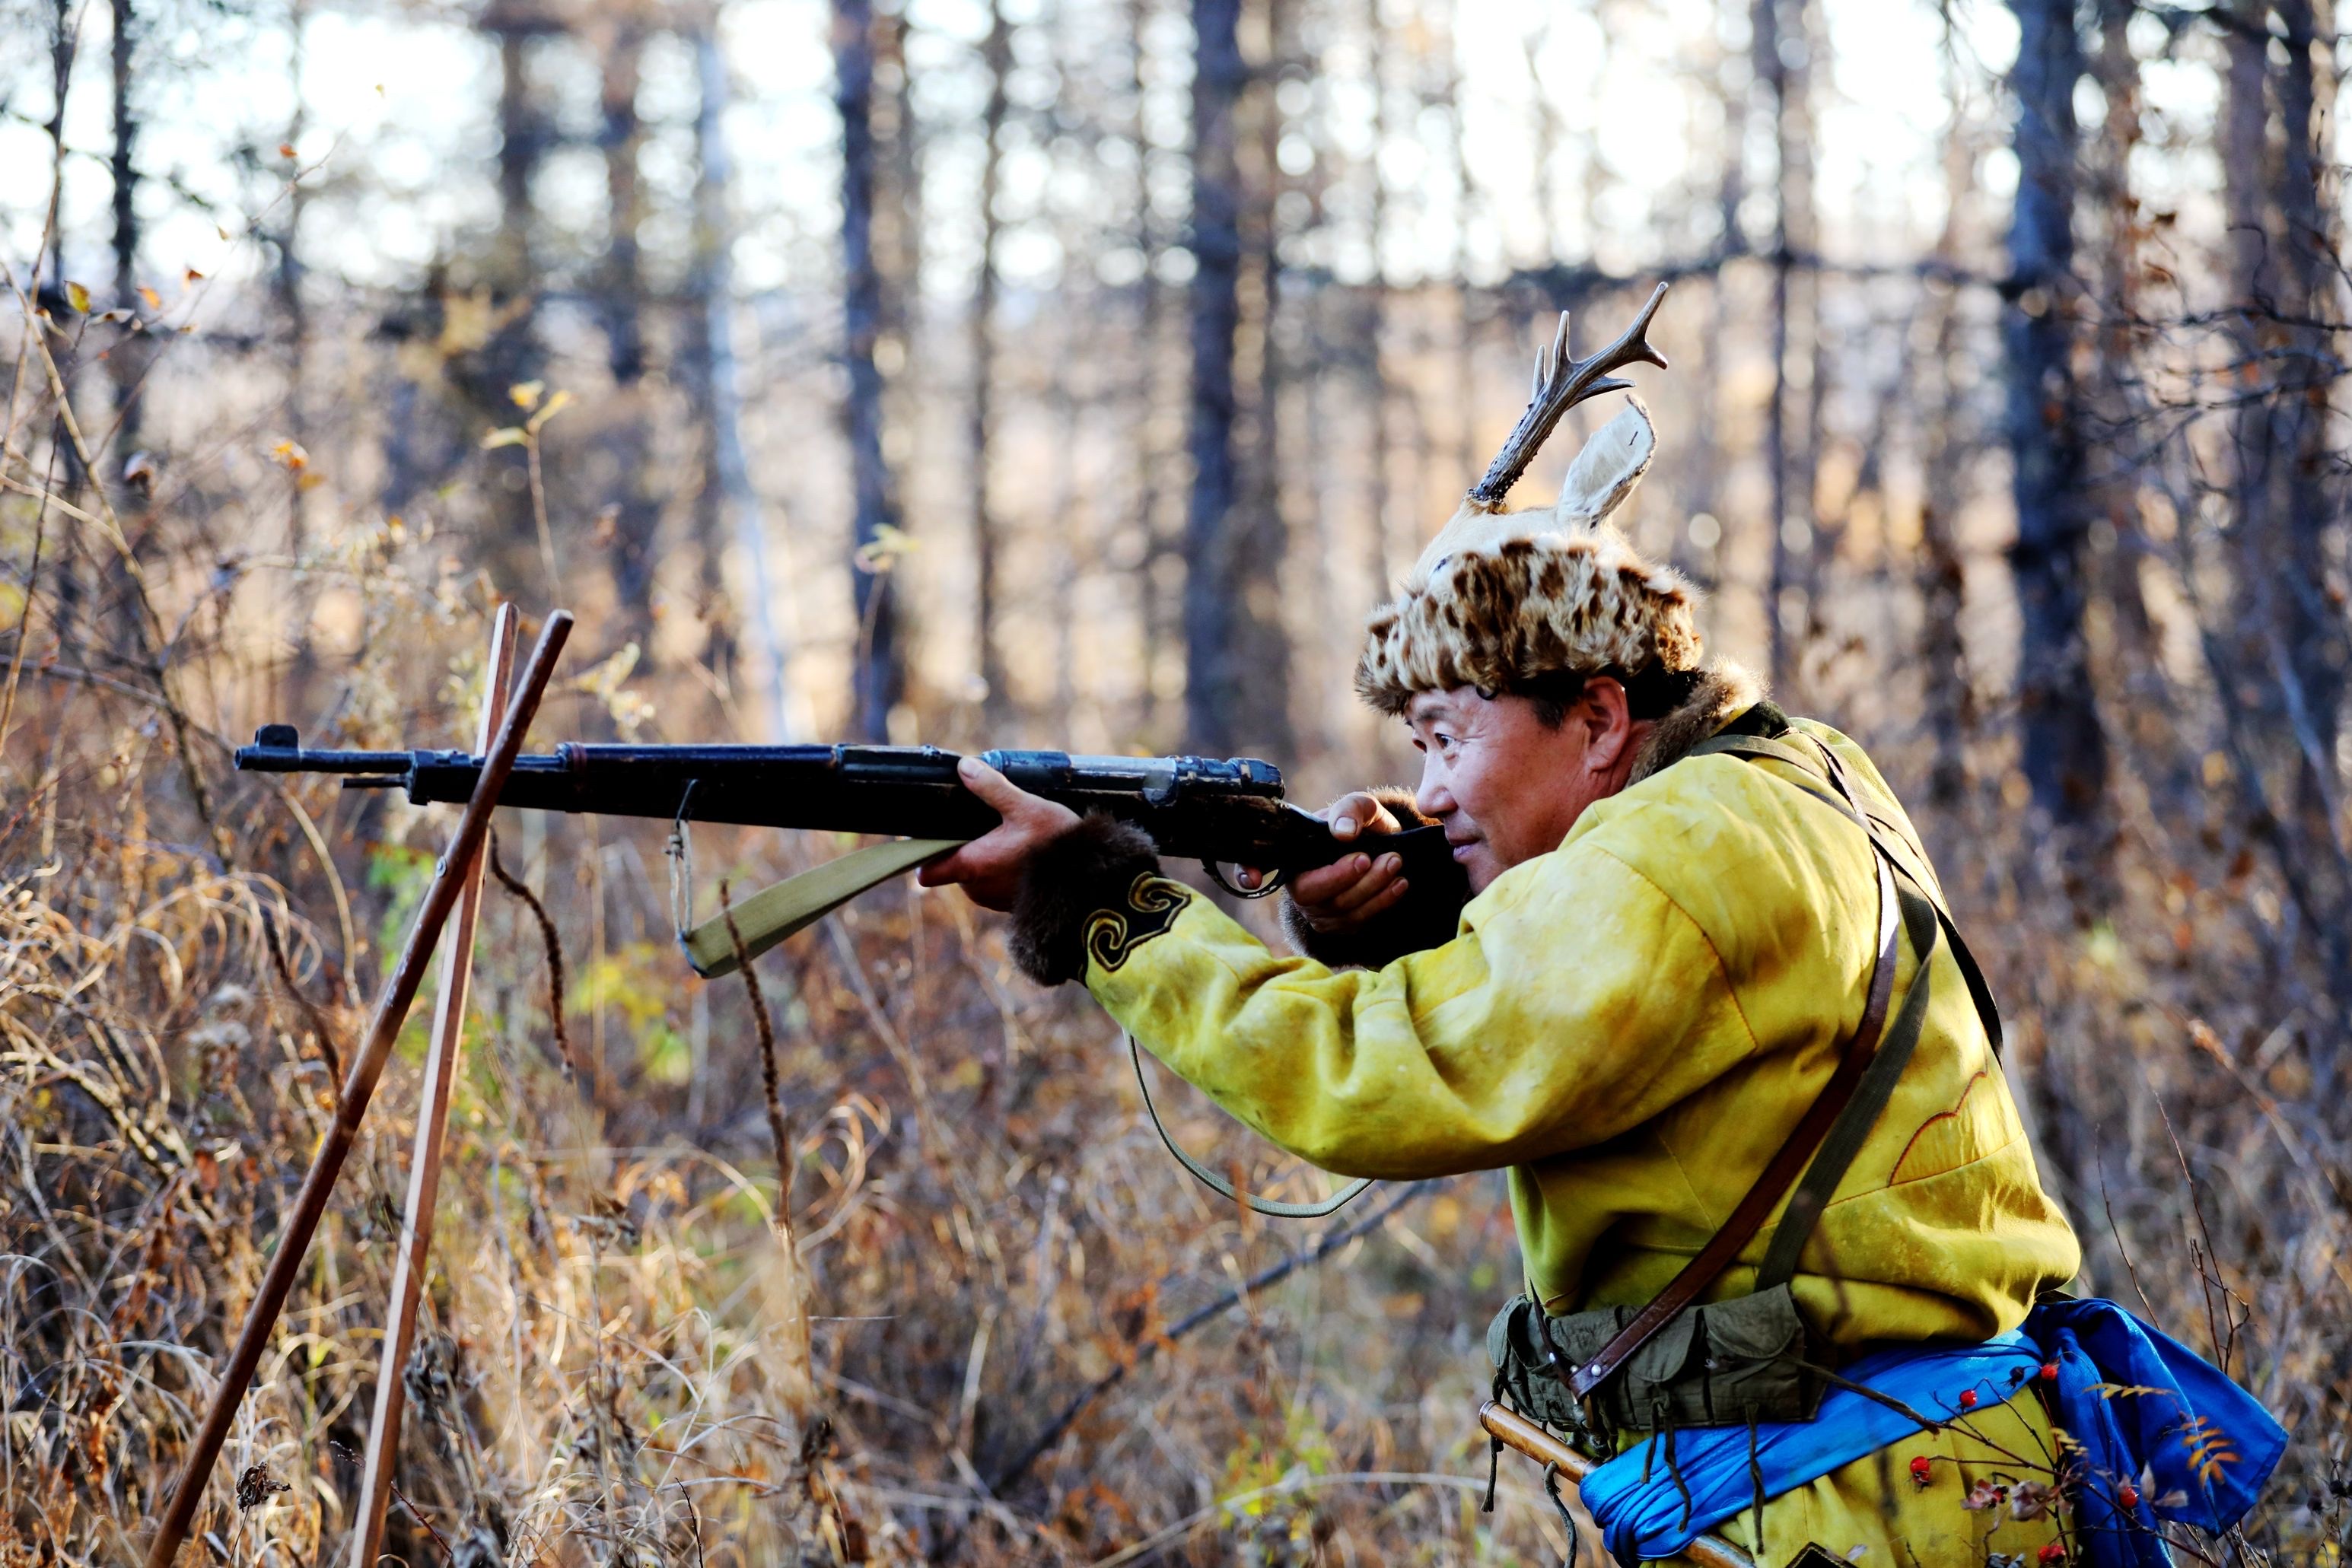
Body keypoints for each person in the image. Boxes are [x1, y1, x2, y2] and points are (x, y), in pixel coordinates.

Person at [918, 298, 2275, 1568]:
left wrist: (1107, 901)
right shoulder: (1792, 774)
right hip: (1918, 1473)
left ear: (1602, 719)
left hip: (1852, 1506)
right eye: (1418, 744)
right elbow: (1678, 998)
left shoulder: (1676, 850)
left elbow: (1376, 1076)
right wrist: (1436, 903)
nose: (1431, 784)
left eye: (1450, 738)